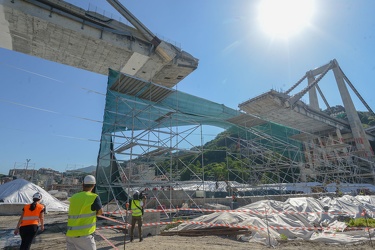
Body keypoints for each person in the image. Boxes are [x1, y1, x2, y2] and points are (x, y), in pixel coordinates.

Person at [66, 175, 103, 250]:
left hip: (70, 235)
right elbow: (100, 211)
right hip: (84, 235)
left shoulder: (74, 197)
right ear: (94, 185)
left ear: (83, 184)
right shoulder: (93, 197)